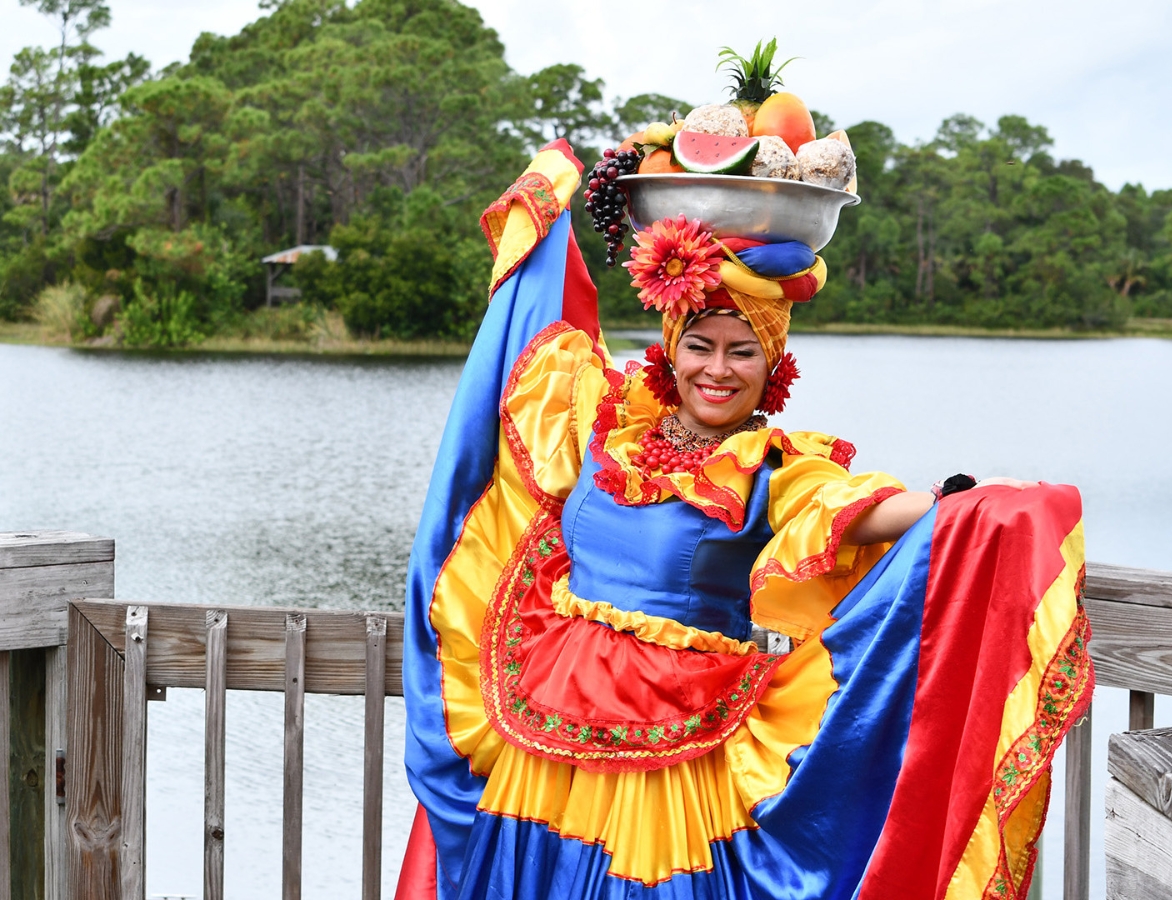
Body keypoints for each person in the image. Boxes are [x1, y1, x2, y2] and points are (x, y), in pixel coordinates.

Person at [397, 141, 1092, 900]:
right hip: (542, 740)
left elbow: (853, 510)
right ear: (671, 349)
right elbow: (536, 341)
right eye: (699, 346)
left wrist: (960, 496)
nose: (717, 370)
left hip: (672, 761)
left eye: (741, 353)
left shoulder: (772, 467)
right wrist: (557, 184)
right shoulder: (606, 425)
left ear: (772, 368)